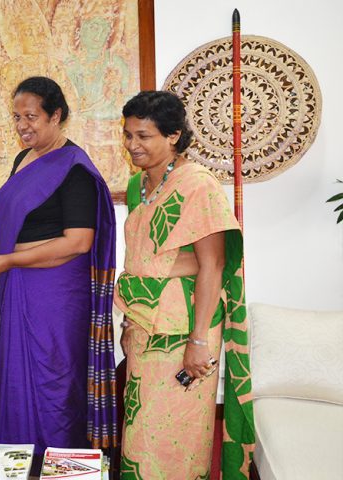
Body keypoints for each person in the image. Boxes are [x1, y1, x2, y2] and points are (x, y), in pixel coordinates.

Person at [0, 76, 118, 454]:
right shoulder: (24, 159)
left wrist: (9, 258)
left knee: (56, 381)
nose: (22, 125)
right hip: (21, 284)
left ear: (56, 116)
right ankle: (20, 462)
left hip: (56, 293)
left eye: (31, 116)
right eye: (16, 117)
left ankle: (60, 464)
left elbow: (77, 242)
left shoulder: (74, 168)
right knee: (18, 377)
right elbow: (36, 221)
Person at [114, 91, 254, 479]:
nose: (132, 145)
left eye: (144, 136)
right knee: (140, 428)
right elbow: (143, 256)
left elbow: (213, 265)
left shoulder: (197, 185)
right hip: (143, 325)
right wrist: (128, 323)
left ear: (173, 135)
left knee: (177, 431)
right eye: (128, 135)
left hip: (183, 329)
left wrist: (198, 341)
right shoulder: (137, 185)